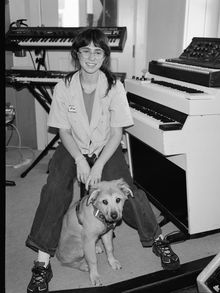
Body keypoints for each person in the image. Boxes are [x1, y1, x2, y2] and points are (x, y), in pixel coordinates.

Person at [26, 27, 180, 293]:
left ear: (104, 56)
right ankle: (42, 262)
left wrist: (97, 164)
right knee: (54, 190)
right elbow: (63, 130)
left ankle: (158, 239)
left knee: (128, 189)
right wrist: (79, 159)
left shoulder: (114, 86)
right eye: (85, 51)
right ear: (77, 54)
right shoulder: (63, 86)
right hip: (72, 146)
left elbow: (117, 132)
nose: (91, 57)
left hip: (105, 147)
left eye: (98, 52)